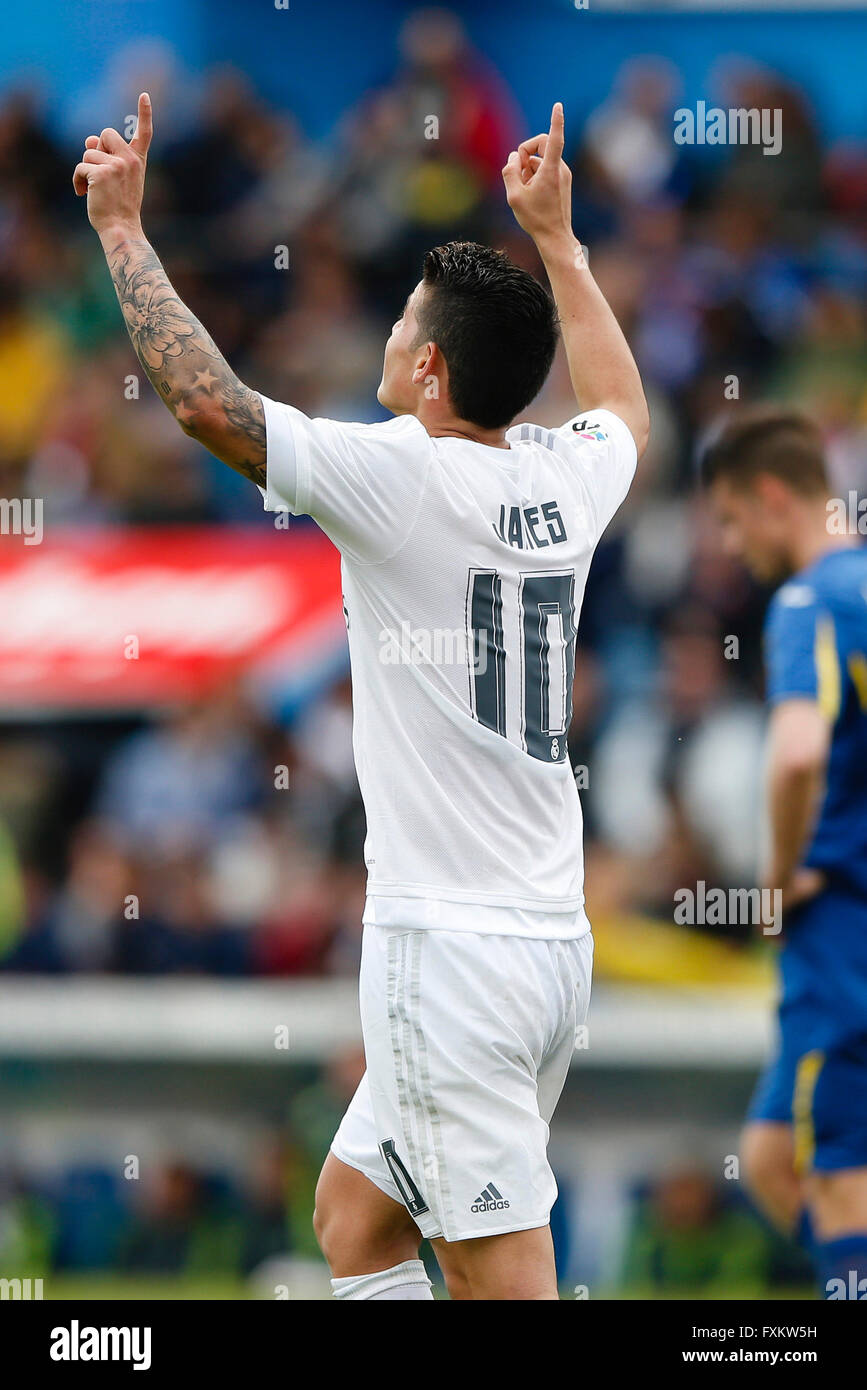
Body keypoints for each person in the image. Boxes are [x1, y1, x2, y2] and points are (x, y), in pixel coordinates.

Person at [74, 95, 648, 1300]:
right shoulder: (562, 477)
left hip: (451, 956)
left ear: (429, 368)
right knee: (355, 1221)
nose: (387, 334)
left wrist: (124, 228)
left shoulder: (397, 474)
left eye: (400, 323)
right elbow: (628, 409)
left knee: (507, 1285)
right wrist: (559, 241)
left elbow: (206, 407)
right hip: (545, 947)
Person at [704, 407, 867, 1299]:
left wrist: (774, 881)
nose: (730, 545)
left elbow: (797, 749)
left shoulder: (809, 599)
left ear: (772, 498)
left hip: (841, 924)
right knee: (772, 1156)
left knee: (840, 1178)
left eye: (730, 520)